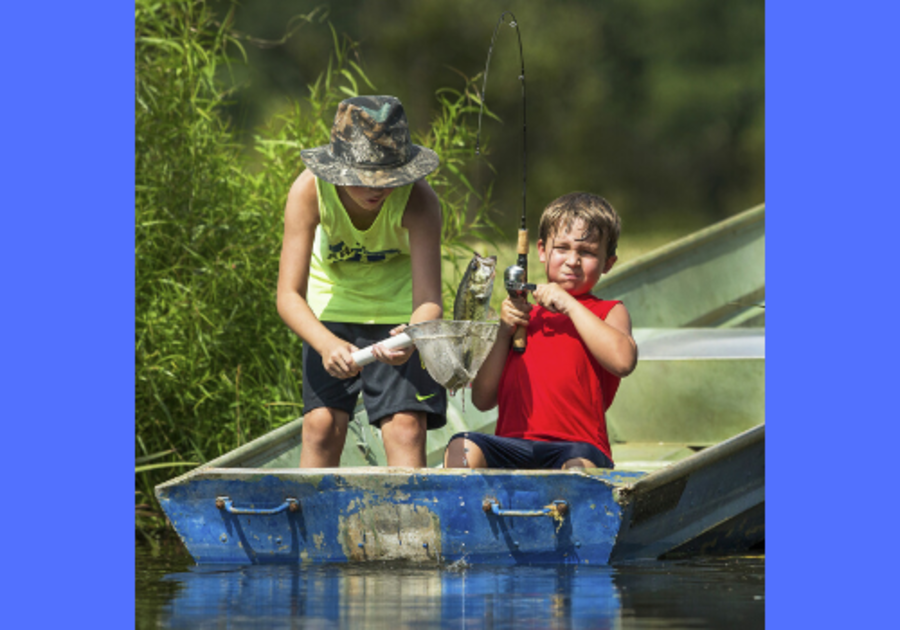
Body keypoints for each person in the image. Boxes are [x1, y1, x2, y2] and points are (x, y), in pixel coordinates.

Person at [277, 95, 446, 468]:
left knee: (405, 427)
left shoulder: (419, 201)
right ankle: (313, 521)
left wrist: (412, 336)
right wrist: (325, 344)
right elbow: (288, 296)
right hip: (331, 312)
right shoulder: (309, 191)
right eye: (366, 178)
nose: (378, 189)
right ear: (339, 169)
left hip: (399, 315)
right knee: (322, 426)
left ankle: (410, 523)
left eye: (390, 177)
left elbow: (430, 299)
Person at [443, 192, 637, 470]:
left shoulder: (608, 311)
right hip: (513, 446)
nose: (573, 260)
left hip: (577, 448)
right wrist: (502, 333)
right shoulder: (522, 316)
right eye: (562, 248)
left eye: (587, 252)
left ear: (608, 263)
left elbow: (623, 361)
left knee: (578, 469)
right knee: (461, 447)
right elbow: (483, 399)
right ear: (543, 251)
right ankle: (464, 512)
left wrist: (569, 304)